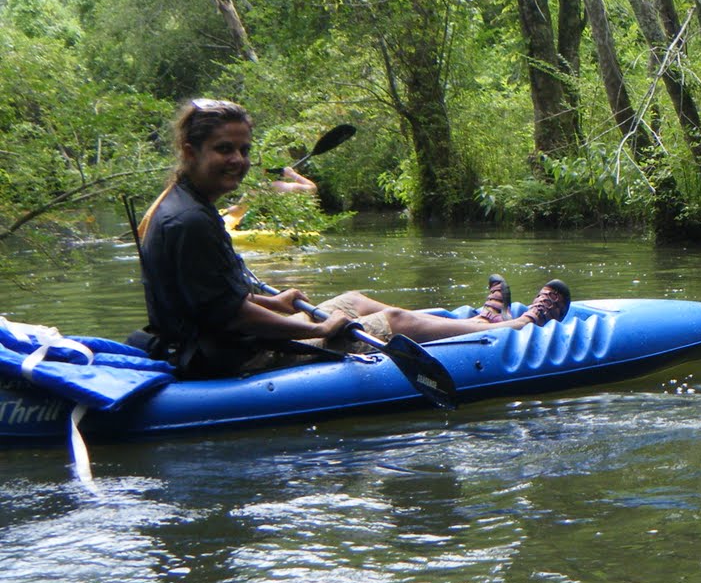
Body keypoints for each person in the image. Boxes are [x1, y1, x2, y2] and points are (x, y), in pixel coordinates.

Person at [138, 98, 572, 379]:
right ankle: (517, 326)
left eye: (244, 149)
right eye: (224, 149)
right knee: (393, 321)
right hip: (232, 358)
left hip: (222, 340)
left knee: (354, 300)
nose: (238, 159)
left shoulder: (188, 204)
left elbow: (211, 299)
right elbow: (232, 318)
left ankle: (479, 324)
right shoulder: (190, 221)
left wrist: (277, 302)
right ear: (191, 152)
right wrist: (315, 327)